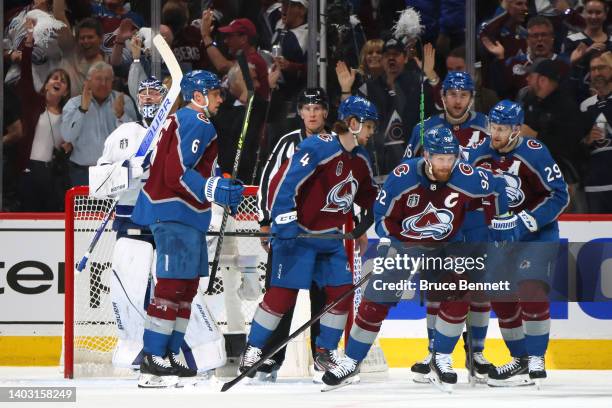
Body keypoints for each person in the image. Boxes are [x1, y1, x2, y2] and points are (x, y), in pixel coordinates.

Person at [322, 127, 513, 392]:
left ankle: (441, 358)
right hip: (405, 245)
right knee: (375, 301)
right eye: (440, 159)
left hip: (446, 247)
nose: (447, 165)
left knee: (459, 292)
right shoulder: (402, 177)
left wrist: (501, 221)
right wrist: (400, 243)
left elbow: (499, 186)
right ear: (426, 155)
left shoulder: (465, 175)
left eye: (451, 158)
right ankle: (352, 360)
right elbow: (382, 218)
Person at [238, 96, 379, 381]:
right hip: (299, 236)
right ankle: (253, 350)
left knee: (340, 294)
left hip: (331, 239)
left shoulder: (362, 159)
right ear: (353, 123)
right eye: (369, 126)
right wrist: (284, 226)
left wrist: (372, 217)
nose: (372, 132)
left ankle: (324, 353)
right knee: (281, 296)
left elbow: (368, 195)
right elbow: (282, 183)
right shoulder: (318, 146)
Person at [130, 70, 244, 388]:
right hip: (173, 212)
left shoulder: (187, 120)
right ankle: (154, 356)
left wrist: (221, 184)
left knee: (186, 288)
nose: (221, 98)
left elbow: (198, 167)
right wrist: (214, 190)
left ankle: (172, 351)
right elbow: (175, 172)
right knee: (171, 286)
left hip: (187, 214)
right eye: (215, 92)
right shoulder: (197, 121)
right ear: (197, 95)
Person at [464, 100, 569, 387]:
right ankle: (520, 359)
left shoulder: (535, 153)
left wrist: (524, 222)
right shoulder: (477, 155)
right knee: (501, 295)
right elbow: (463, 194)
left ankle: (536, 357)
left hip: (536, 235)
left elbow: (559, 195)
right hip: (498, 239)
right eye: (493, 127)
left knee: (531, 288)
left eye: (502, 128)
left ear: (516, 129)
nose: (495, 134)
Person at [403, 71, 493, 384]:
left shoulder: (487, 127)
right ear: (442, 96)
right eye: (452, 94)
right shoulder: (423, 129)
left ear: (472, 97)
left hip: (477, 222)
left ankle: (476, 353)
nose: (457, 100)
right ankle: (434, 352)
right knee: (438, 289)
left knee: (479, 291)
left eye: (463, 95)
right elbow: (407, 171)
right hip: (437, 222)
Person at [254, 87, 333, 382]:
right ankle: (269, 360)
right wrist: (265, 221)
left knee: (323, 298)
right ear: (299, 112)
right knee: (279, 298)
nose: (312, 113)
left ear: (325, 112)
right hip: (289, 234)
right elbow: (269, 181)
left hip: (325, 235)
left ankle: (322, 358)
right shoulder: (288, 142)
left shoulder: (336, 144)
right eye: (306, 107)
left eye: (317, 107)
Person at [16, 28, 72, 212]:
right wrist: (28, 44)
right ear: (46, 83)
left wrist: (68, 147)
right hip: (29, 169)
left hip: (52, 174)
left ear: (65, 91)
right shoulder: (33, 102)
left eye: (62, 81)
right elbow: (25, 73)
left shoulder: (68, 115)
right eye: (54, 78)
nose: (58, 81)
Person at [61, 61, 138, 187]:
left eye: (107, 79)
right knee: (84, 207)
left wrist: (121, 115)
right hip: (82, 171)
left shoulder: (123, 100)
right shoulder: (74, 104)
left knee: (114, 207)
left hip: (115, 171)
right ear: (88, 81)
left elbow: (134, 136)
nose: (103, 83)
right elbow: (67, 136)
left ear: (112, 81)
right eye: (98, 79)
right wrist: (82, 110)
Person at [579, 52, 612, 213]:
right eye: (593, 69)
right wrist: (587, 140)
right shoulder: (585, 106)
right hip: (595, 187)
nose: (597, 73)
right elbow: (577, 147)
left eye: (602, 68)